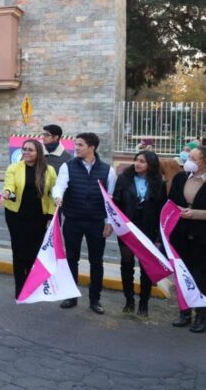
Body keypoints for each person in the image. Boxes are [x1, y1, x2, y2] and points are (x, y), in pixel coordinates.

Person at [52, 132, 117, 314]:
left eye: (80, 145)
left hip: (96, 222)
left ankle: (95, 299)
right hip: (73, 220)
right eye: (76, 144)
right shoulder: (68, 166)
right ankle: (71, 295)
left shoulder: (107, 170)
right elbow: (60, 185)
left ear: (92, 148)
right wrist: (57, 196)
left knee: (97, 261)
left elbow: (110, 200)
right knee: (72, 258)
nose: (76, 148)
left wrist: (109, 222)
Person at [112, 150, 166, 317]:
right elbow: (117, 203)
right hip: (127, 229)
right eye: (136, 160)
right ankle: (129, 301)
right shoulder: (124, 179)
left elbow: (161, 210)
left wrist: (158, 236)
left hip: (148, 229)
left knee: (146, 267)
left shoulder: (159, 183)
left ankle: (144, 303)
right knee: (126, 264)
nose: (138, 163)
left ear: (151, 164)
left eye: (142, 161)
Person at [2, 139, 57, 298]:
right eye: (24, 149)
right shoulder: (14, 167)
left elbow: (52, 194)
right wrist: (7, 193)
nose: (26, 152)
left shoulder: (49, 170)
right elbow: (10, 187)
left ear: (38, 153)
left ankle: (31, 283)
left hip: (39, 217)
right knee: (19, 251)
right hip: (16, 216)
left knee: (33, 252)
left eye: (30, 150)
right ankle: (20, 287)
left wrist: (50, 215)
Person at [168, 145, 206, 333]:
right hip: (180, 234)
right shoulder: (181, 177)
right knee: (183, 275)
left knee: (201, 277)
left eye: (193, 158)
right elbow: (171, 201)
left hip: (202, 237)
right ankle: (184, 313)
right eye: (188, 157)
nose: (188, 160)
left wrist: (195, 214)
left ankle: (201, 316)